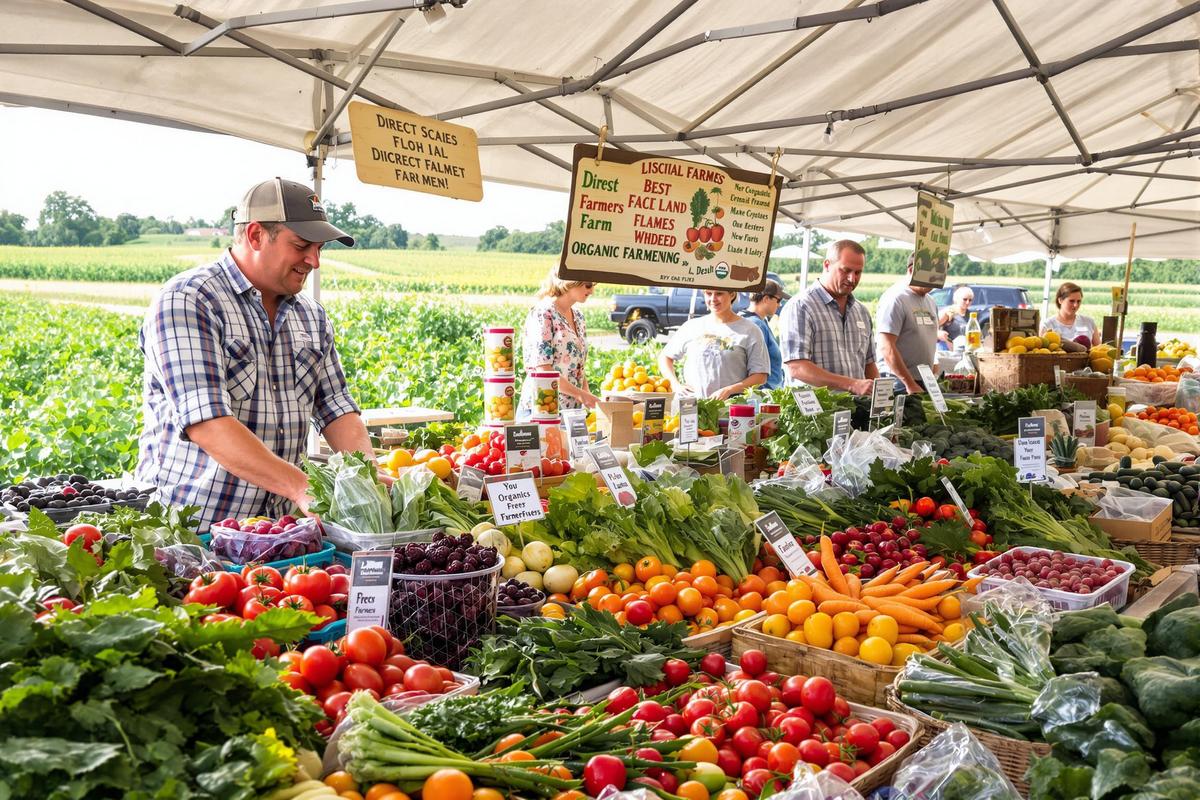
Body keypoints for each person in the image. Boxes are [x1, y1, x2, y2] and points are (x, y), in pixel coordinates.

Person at [136, 177, 374, 531]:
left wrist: (364, 477)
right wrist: (300, 486)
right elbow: (208, 423)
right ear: (256, 235)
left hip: (279, 532)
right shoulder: (189, 300)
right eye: (302, 245)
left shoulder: (311, 316)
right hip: (194, 532)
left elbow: (337, 410)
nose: (314, 261)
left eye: (319, 248)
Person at [779, 239, 878, 395]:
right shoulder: (801, 306)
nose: (852, 278)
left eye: (858, 272)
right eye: (846, 270)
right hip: (815, 415)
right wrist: (851, 384)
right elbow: (797, 367)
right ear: (826, 265)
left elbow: (869, 364)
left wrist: (880, 398)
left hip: (858, 410)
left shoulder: (862, 312)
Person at [659, 289, 769, 399]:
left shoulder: (750, 330)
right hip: (692, 406)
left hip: (730, 408)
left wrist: (729, 390)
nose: (713, 299)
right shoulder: (691, 326)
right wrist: (675, 384)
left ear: (732, 294)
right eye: (708, 293)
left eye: (719, 293)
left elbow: (760, 376)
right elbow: (665, 357)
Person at [518, 269, 598, 417]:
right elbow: (543, 369)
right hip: (542, 410)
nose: (592, 290)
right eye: (587, 285)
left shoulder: (578, 316)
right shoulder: (543, 313)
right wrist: (581, 395)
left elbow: (577, 366)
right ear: (571, 282)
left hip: (571, 414)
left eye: (593, 285)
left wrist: (586, 393)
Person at [876, 256, 939, 394]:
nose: (935, 282)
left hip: (923, 379)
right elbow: (886, 346)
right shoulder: (895, 298)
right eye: (931, 277)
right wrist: (908, 383)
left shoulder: (930, 301)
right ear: (911, 271)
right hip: (898, 381)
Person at [738, 279, 788, 389]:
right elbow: (757, 367)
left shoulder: (758, 321)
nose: (779, 305)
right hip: (764, 394)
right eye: (778, 300)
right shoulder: (756, 324)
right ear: (766, 299)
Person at [938, 285, 974, 349]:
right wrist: (938, 333)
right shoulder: (948, 312)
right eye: (965, 299)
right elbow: (930, 328)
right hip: (947, 350)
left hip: (965, 349)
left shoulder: (971, 315)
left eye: (970, 300)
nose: (967, 302)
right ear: (957, 299)